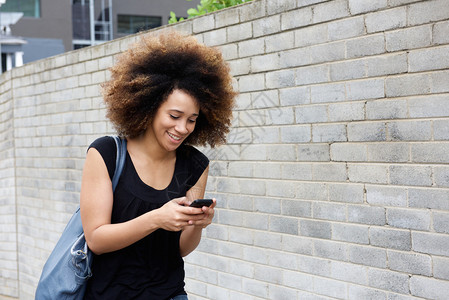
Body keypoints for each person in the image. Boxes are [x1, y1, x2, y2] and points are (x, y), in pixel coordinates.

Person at [80, 31, 236, 299]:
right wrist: (156, 219)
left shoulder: (195, 165)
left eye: (192, 119)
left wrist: (197, 224)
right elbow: (96, 240)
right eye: (174, 116)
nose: (182, 128)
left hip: (170, 294)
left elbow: (181, 249)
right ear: (149, 106)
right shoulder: (106, 154)